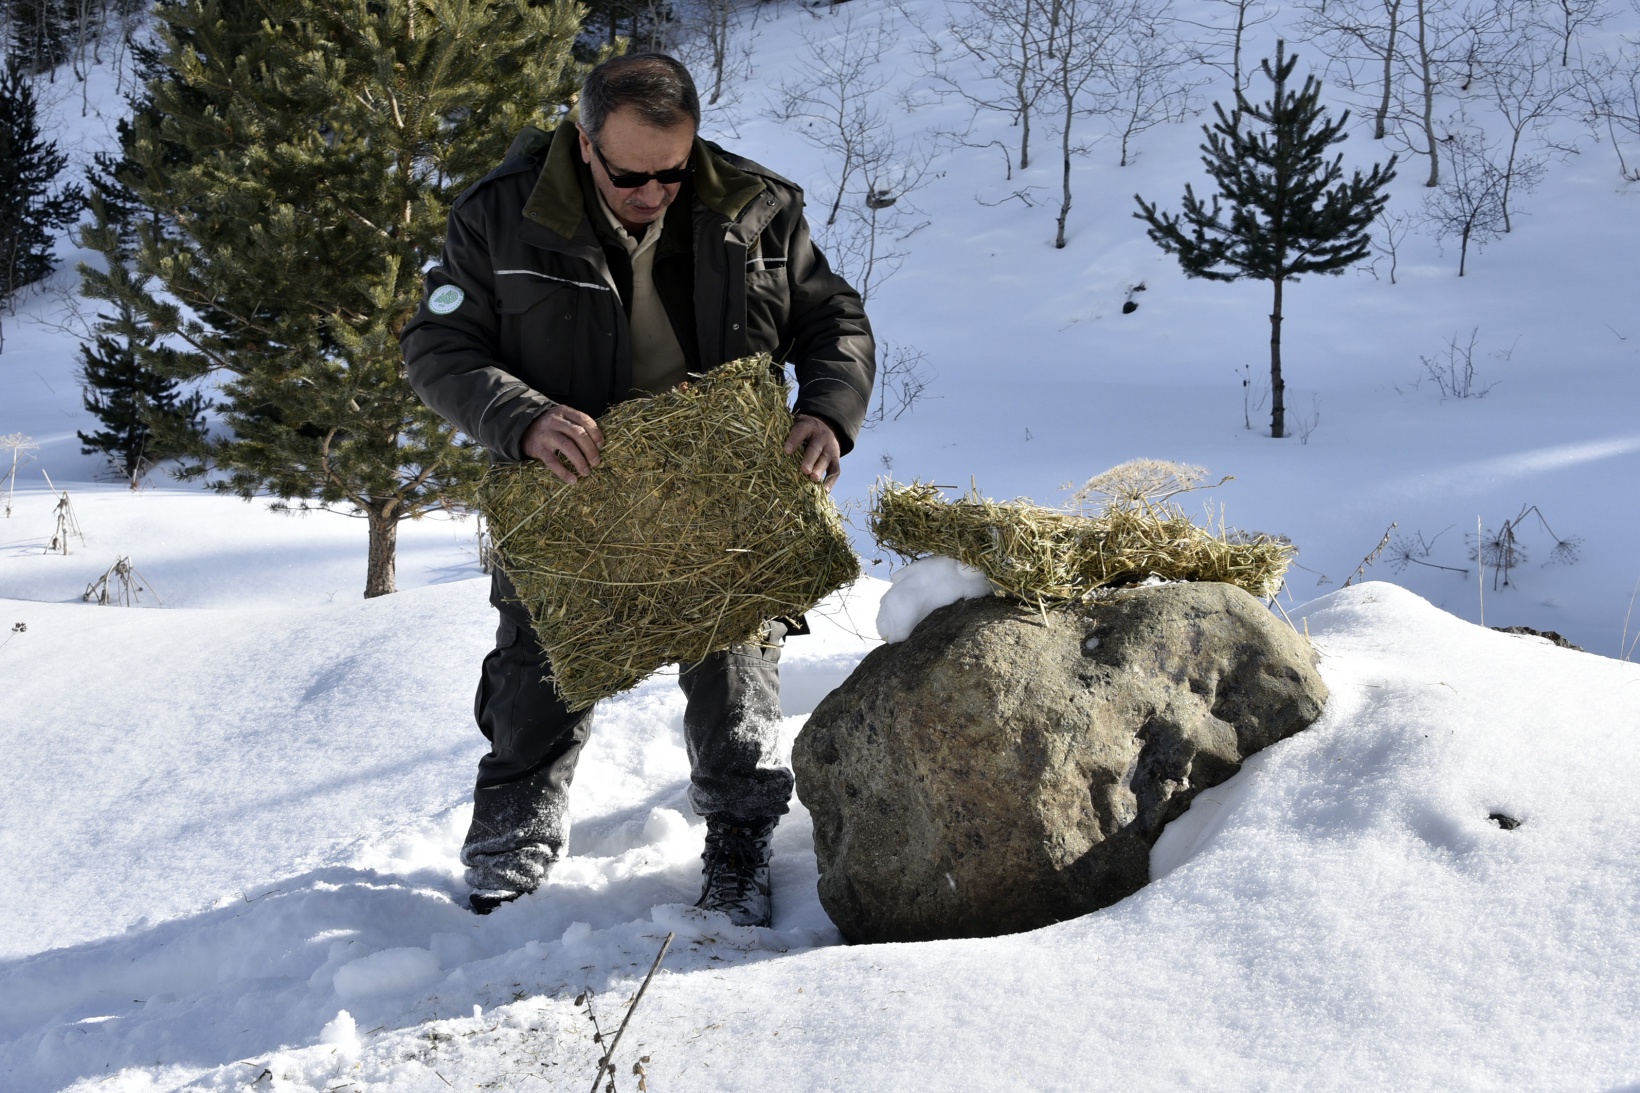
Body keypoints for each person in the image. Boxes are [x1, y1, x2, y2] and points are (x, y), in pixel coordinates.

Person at [400, 53, 875, 927]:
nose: (653, 193)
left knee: (737, 665)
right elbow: (438, 345)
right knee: (535, 670)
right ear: (584, 143)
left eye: (672, 172)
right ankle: (510, 846)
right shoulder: (497, 215)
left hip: (718, 486)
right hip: (570, 490)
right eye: (629, 176)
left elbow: (832, 320)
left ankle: (741, 846)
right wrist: (521, 416)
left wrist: (827, 410)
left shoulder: (756, 206)